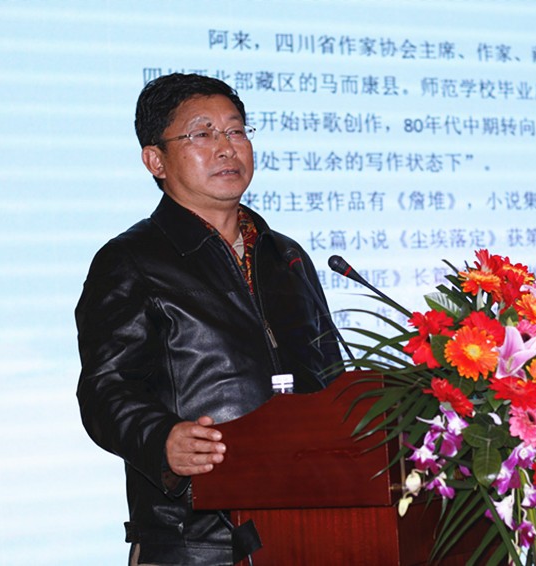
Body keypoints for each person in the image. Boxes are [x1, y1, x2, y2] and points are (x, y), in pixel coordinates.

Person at [75, 73, 341, 565]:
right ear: (155, 160)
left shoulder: (286, 257)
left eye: (236, 131)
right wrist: (161, 439)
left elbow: (331, 378)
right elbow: (105, 389)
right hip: (195, 542)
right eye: (202, 133)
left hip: (308, 529)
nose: (226, 147)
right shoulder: (131, 260)